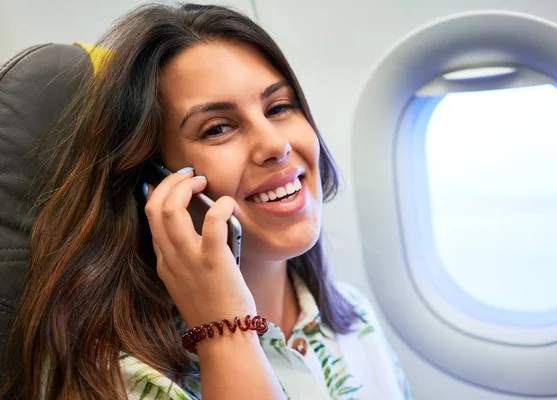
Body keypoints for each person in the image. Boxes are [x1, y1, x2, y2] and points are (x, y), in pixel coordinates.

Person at [1, 3, 412, 399]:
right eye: (218, 128)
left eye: (280, 107)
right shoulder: (116, 378)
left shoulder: (355, 319)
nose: (275, 144)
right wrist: (224, 333)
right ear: (156, 182)